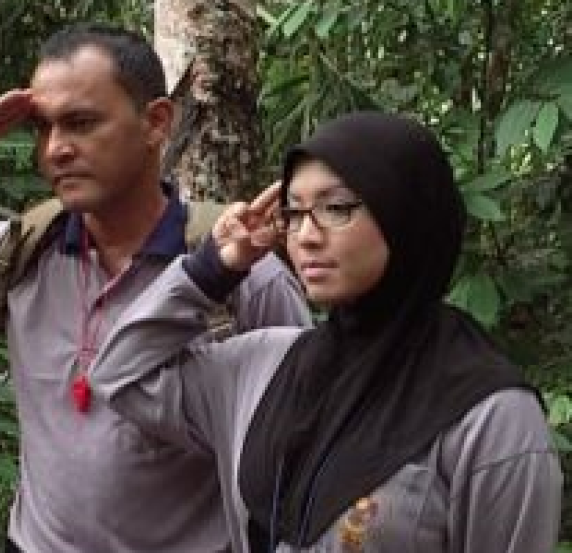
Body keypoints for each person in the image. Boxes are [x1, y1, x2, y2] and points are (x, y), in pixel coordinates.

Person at [0, 23, 312, 553]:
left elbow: (306, 442)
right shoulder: (20, 254)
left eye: (81, 123)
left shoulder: (239, 276)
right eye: (43, 128)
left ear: (157, 121)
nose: (56, 149)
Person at [90, 112, 563, 552]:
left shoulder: (489, 414)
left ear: (405, 215)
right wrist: (213, 268)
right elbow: (120, 374)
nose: (306, 236)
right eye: (294, 214)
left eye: (336, 208)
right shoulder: (265, 365)